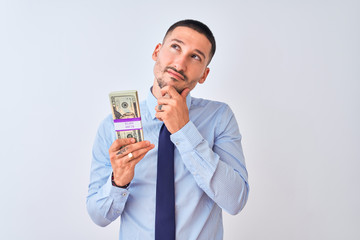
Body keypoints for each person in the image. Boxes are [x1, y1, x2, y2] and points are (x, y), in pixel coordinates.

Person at [87, 19, 249, 240]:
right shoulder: (112, 125)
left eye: (195, 57)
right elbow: (98, 216)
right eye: (175, 47)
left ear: (204, 74)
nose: (180, 64)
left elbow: (235, 200)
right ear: (156, 52)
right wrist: (118, 182)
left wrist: (184, 130)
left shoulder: (219, 118)